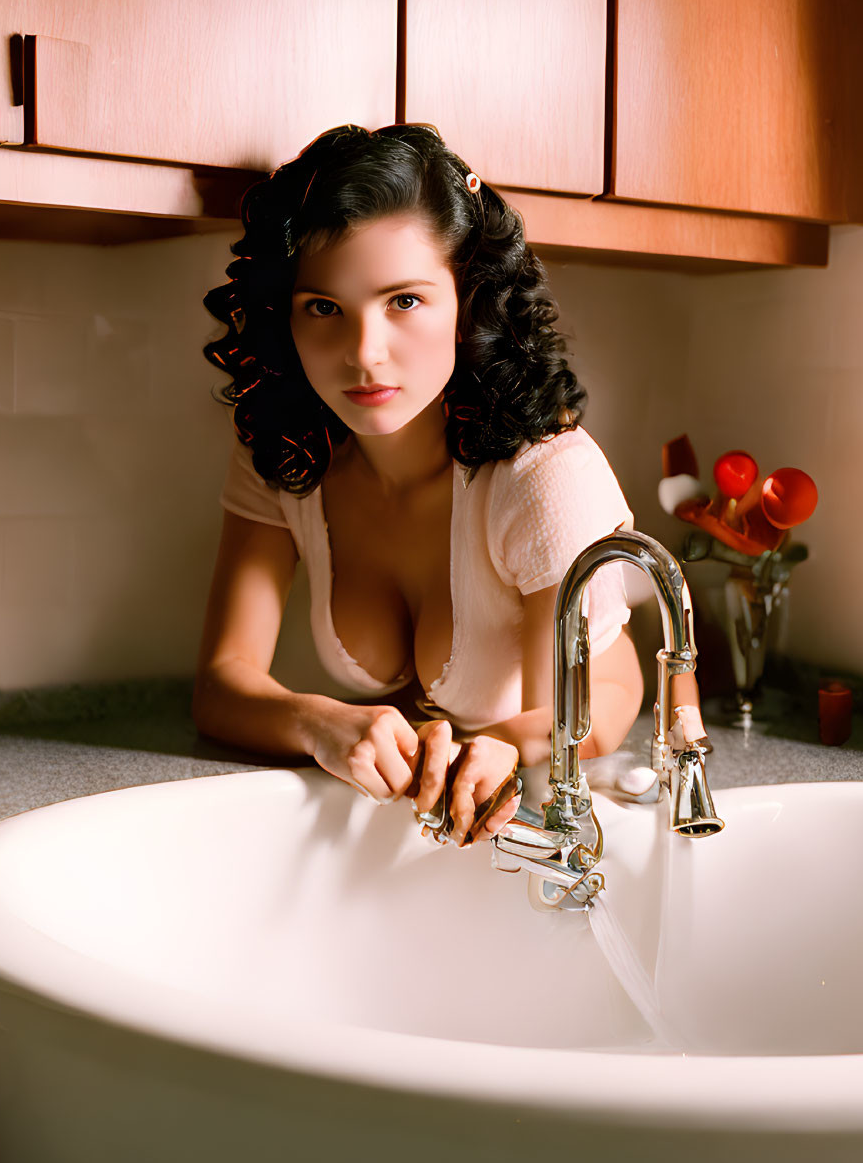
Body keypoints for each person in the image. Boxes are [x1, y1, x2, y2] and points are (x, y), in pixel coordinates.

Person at [191, 124, 669, 848]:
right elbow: (222, 683)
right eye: (323, 307)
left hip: (499, 822)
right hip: (402, 821)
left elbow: (603, 697)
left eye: (404, 301)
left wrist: (508, 743)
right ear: (284, 314)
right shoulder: (285, 451)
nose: (363, 354)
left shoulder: (539, 474)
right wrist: (317, 720)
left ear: (466, 301)